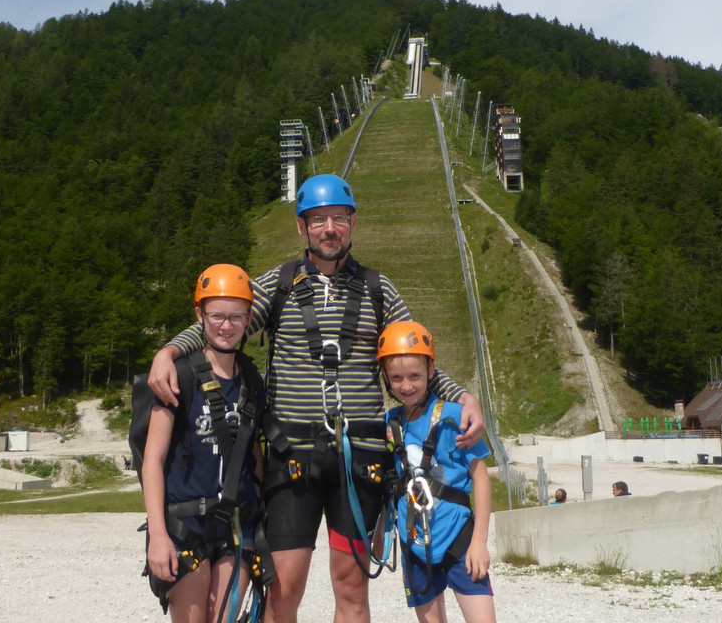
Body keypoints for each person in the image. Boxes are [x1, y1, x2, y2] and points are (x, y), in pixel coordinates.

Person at [148, 174, 486, 623]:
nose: (329, 228)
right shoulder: (277, 285)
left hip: (359, 459)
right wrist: (169, 351)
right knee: (282, 589)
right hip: (292, 460)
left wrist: (465, 396)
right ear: (301, 227)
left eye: (339, 219)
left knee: (351, 590)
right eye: (318, 220)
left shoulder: (378, 290)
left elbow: (415, 358)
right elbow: (222, 326)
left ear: (353, 223)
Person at [141, 264, 266, 623]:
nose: (226, 326)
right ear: (199, 315)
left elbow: (253, 452)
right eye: (216, 316)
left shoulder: (251, 379)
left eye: (236, 317)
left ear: (248, 318)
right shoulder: (177, 376)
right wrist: (158, 535)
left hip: (236, 524)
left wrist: (263, 522)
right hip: (185, 525)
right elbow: (153, 458)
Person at [378, 320, 495, 623]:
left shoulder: (454, 416)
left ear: (432, 371)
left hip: (461, 539)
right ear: (385, 378)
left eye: (415, 376)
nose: (406, 386)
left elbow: (480, 477)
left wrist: (480, 541)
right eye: (397, 378)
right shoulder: (390, 426)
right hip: (414, 544)